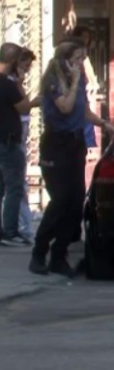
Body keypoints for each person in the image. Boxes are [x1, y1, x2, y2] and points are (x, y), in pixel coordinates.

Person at [30, 42, 114, 278]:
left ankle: (59, 255)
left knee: (75, 202)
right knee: (60, 200)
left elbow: (83, 111)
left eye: (83, 58)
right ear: (65, 60)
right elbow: (65, 107)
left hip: (75, 143)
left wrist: (106, 125)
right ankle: (39, 252)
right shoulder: (55, 81)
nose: (82, 63)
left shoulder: (78, 82)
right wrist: (73, 81)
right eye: (78, 58)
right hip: (56, 145)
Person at [0, 44, 38, 247]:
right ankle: (10, 231)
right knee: (14, 187)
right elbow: (23, 106)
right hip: (8, 141)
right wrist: (36, 101)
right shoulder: (6, 83)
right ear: (14, 61)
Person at [12, 49, 37, 245]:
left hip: (20, 129)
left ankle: (21, 226)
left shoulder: (15, 81)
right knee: (16, 181)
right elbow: (23, 105)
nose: (27, 69)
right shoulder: (9, 82)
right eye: (25, 64)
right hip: (14, 132)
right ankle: (23, 227)